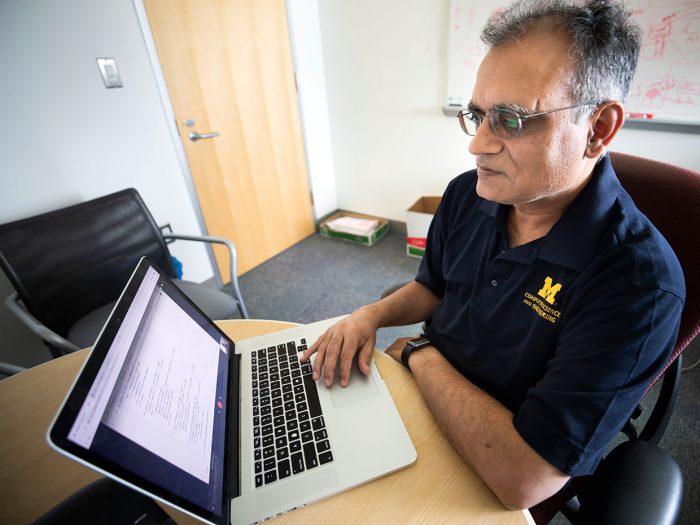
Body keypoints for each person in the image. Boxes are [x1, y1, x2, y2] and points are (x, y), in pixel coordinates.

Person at [302, 0, 685, 514]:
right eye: (479, 114)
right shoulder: (470, 194)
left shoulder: (638, 282)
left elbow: (523, 478)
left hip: (489, 462)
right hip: (425, 399)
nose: (477, 145)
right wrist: (369, 315)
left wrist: (420, 354)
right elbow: (431, 287)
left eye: (509, 120)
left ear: (598, 129)